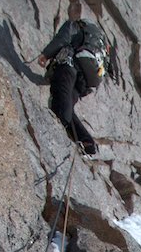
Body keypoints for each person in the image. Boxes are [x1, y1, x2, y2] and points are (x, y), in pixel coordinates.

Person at [38, 13, 118, 156]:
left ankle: (58, 129)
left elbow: (62, 39)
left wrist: (46, 54)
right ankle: (87, 143)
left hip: (69, 66)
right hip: (83, 83)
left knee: (60, 104)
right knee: (67, 105)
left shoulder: (75, 26)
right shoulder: (98, 43)